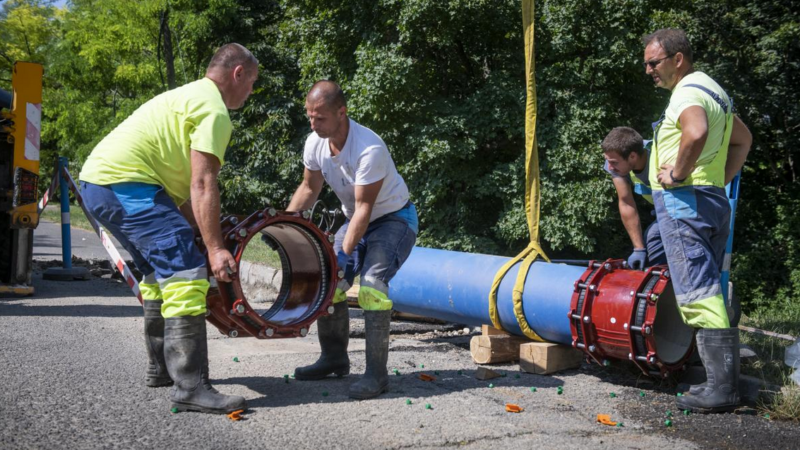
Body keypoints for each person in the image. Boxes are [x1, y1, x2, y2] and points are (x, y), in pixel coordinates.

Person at [78, 43, 258, 414]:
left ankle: (161, 369)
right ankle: (190, 386)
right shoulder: (213, 110)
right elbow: (204, 184)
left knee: (159, 273)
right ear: (238, 73)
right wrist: (214, 249)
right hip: (126, 185)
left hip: (104, 185)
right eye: (252, 82)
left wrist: (197, 233)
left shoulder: (188, 95)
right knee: (186, 272)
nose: (251, 92)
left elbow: (186, 202)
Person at [642, 29, 752, 413]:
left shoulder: (687, 92)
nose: (648, 71)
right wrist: (717, 179)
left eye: (653, 63)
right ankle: (722, 384)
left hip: (684, 202)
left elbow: (696, 132)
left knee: (698, 291)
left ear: (678, 59)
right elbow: (743, 140)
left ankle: (721, 389)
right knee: (708, 287)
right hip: (710, 200)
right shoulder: (713, 90)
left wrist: (678, 175)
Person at [287, 80, 418, 400]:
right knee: (329, 281)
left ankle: (376, 374)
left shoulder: (368, 148)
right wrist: (283, 226)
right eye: (309, 117)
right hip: (357, 218)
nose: (313, 123)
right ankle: (334, 358)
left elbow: (364, 209)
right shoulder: (315, 143)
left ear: (341, 113)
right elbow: (308, 189)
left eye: (320, 118)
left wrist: (344, 255)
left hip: (393, 220)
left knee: (372, 285)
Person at [601, 127, 666, 270]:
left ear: (632, 156)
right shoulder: (617, 165)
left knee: (655, 238)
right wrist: (638, 249)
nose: (610, 167)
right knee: (649, 248)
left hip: (688, 209)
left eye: (614, 162)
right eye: (608, 161)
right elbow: (626, 203)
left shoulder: (661, 155)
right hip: (663, 213)